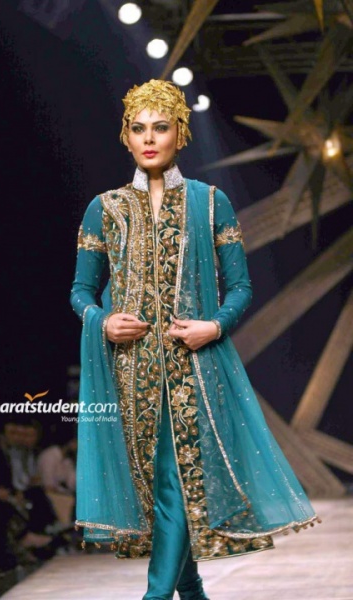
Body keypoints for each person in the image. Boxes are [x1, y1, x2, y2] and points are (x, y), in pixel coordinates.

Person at [70, 79, 320, 600]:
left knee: (174, 481)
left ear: (181, 133)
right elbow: (81, 291)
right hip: (129, 371)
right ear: (125, 136)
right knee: (158, 487)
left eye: (161, 127)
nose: (149, 138)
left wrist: (215, 325)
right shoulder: (105, 208)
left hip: (196, 370)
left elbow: (241, 287)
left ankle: (156, 597)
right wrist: (102, 321)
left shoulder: (210, 203)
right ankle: (192, 592)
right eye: (138, 128)